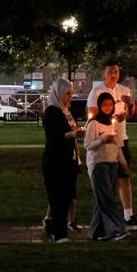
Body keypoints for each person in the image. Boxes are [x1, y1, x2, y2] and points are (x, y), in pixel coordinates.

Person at [87, 60, 137, 231]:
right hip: (104, 139)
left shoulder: (124, 90)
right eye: (110, 72)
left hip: (121, 138)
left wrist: (128, 108)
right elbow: (92, 115)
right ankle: (106, 217)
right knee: (108, 179)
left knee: (124, 176)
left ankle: (128, 215)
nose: (113, 75)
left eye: (116, 72)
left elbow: (129, 115)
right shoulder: (96, 91)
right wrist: (110, 116)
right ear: (103, 73)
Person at [84, 91, 130, 241]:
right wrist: (102, 140)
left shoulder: (113, 122)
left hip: (113, 163)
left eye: (110, 104)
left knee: (103, 199)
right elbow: (88, 145)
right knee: (107, 199)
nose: (108, 107)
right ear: (99, 106)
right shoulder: (94, 123)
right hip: (98, 163)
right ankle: (117, 229)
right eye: (104, 105)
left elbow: (118, 144)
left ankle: (96, 231)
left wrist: (123, 163)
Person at [41, 78, 82, 243]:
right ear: (58, 93)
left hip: (68, 160)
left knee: (66, 197)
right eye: (67, 93)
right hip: (55, 161)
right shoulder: (52, 111)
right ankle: (58, 234)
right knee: (58, 198)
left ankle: (54, 227)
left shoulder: (65, 111)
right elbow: (52, 138)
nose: (70, 97)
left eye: (71, 93)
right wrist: (72, 134)